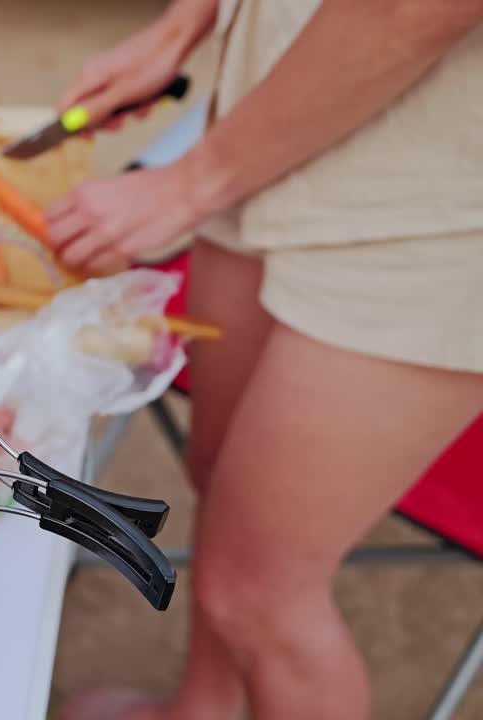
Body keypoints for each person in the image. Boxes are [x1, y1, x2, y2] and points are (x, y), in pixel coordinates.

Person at [45, 1, 483, 718]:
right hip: (279, 112)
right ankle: (203, 709)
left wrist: (193, 181)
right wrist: (187, 23)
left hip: (437, 199)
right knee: (219, 475)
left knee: (259, 596)